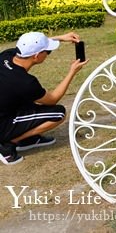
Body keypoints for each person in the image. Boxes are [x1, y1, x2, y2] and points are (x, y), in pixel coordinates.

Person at [0, 31, 88, 165]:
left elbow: (30, 46)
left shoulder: (6, 56)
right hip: (3, 123)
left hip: (6, 107)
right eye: (48, 51)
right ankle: (7, 144)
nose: (48, 54)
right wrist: (72, 72)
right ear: (36, 56)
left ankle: (27, 140)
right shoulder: (25, 82)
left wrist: (61, 38)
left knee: (26, 97)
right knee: (58, 113)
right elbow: (52, 99)